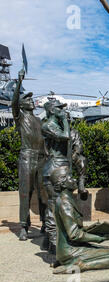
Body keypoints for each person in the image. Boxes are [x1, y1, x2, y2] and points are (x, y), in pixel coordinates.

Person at [50, 166, 109, 274]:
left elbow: (72, 228)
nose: (75, 179)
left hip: (67, 249)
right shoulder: (65, 203)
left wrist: (92, 229)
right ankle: (81, 265)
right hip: (71, 250)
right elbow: (74, 234)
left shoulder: (63, 199)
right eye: (70, 178)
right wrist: (98, 238)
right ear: (63, 184)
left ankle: (67, 261)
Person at [11, 69, 47, 241]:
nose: (31, 101)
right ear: (22, 104)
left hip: (41, 159)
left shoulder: (39, 121)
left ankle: (46, 223)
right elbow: (13, 103)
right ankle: (24, 227)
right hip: (26, 157)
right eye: (28, 99)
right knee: (25, 193)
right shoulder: (20, 117)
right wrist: (19, 81)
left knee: (43, 193)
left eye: (31, 99)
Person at [41, 99, 71, 253]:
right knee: (54, 205)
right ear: (52, 110)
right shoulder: (48, 125)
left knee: (60, 205)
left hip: (60, 166)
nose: (62, 111)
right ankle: (53, 242)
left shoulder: (56, 125)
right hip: (54, 169)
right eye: (59, 109)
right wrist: (65, 120)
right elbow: (66, 136)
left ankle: (50, 239)